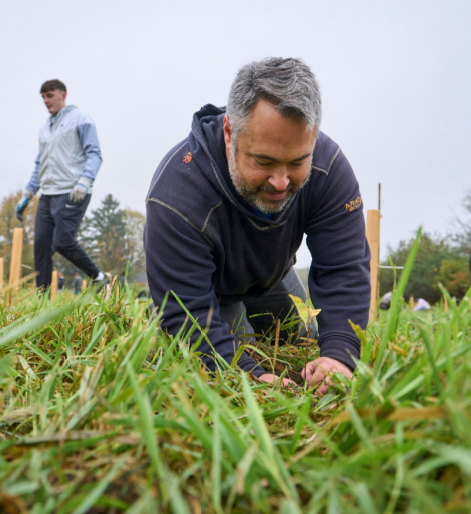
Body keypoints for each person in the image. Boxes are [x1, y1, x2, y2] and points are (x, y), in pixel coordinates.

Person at [144, 58, 371, 394]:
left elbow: (344, 267)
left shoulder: (328, 167)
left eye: (297, 162)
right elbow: (188, 314)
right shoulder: (175, 197)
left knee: (300, 336)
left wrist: (339, 354)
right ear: (229, 133)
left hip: (272, 276)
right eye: (263, 161)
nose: (281, 182)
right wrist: (255, 379)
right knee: (240, 351)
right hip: (207, 290)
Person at [15, 79, 108, 290]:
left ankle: (99, 276)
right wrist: (28, 194)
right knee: (41, 246)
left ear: (62, 95)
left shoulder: (80, 119)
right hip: (47, 194)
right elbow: (41, 162)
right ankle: (42, 298)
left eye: (50, 96)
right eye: (43, 97)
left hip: (73, 191)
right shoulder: (44, 129)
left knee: (62, 241)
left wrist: (85, 181)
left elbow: (94, 153)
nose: (46, 101)